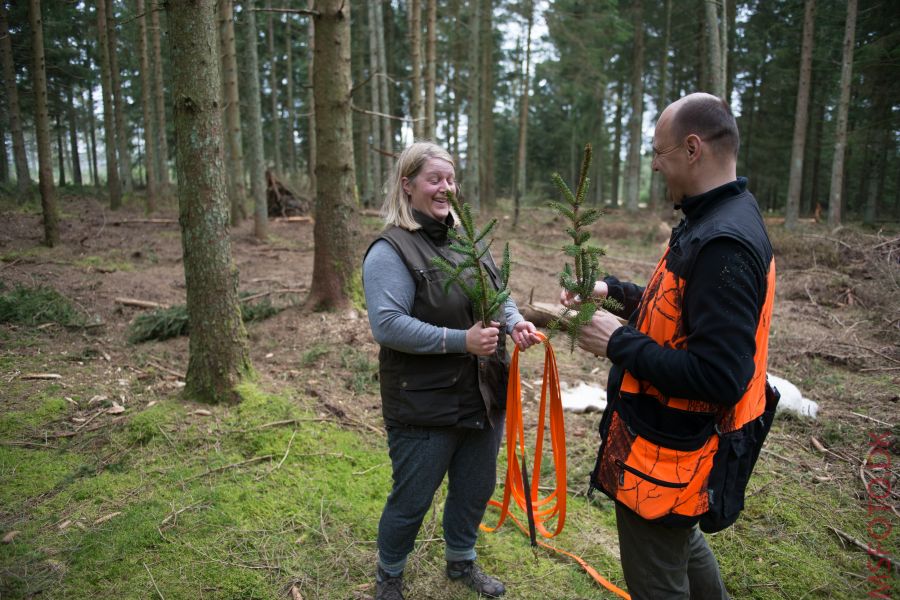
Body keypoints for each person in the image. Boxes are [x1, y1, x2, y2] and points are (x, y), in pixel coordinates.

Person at [564, 93, 778, 599]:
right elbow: (677, 310)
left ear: (692, 148)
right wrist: (612, 292)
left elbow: (720, 377)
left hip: (668, 458)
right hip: (663, 458)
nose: (656, 165)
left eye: (659, 152)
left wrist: (618, 343)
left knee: (658, 572)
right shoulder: (712, 218)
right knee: (676, 538)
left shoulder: (725, 243)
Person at [363, 141, 540, 600]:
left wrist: (515, 324)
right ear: (408, 185)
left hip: (483, 394)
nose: (446, 188)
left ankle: (462, 563)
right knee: (412, 499)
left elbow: (495, 295)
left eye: (450, 179)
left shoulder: (465, 239)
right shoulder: (391, 249)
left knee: (474, 489)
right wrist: (460, 340)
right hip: (423, 403)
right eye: (434, 179)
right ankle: (389, 576)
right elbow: (387, 325)